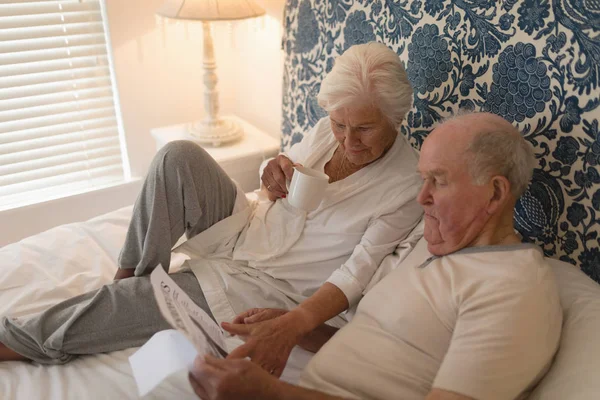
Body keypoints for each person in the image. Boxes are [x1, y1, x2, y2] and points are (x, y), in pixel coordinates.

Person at [0, 42, 424, 375]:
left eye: (364, 129)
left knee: (135, 303)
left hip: (263, 283)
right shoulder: (324, 131)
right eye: (339, 124)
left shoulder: (407, 185)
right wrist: (270, 171)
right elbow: (275, 175)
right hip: (246, 230)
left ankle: (18, 339)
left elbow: (356, 274)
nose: (348, 140)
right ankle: (132, 276)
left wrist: (292, 323)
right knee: (177, 156)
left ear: (396, 116)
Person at [187, 112, 563, 400]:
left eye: (439, 181)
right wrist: (294, 328)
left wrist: (272, 394)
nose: (421, 197)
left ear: (495, 195)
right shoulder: (429, 246)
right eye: (422, 179)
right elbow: (379, 345)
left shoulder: (511, 290)